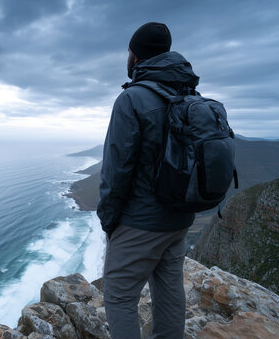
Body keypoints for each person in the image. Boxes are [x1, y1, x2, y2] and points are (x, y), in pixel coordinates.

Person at [98, 22, 199, 339]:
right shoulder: (189, 94)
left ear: (136, 56)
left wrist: (109, 221)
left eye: (129, 51)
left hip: (140, 221)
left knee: (119, 296)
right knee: (169, 290)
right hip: (179, 218)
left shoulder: (132, 99)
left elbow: (117, 170)